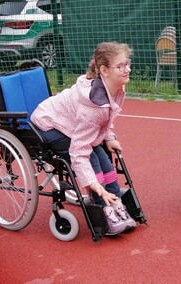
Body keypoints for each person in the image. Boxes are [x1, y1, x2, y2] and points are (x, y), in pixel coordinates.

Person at [31, 42, 136, 234]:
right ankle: (103, 206)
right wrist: (94, 184)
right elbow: (79, 152)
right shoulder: (93, 107)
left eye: (127, 63)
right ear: (104, 70)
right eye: (121, 66)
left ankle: (115, 201)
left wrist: (110, 136)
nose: (127, 69)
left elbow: (107, 116)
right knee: (92, 156)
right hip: (49, 123)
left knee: (103, 155)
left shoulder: (114, 88)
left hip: (73, 122)